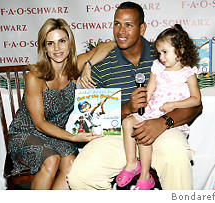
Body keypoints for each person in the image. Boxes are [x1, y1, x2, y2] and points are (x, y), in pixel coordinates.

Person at [67, 1, 202, 190]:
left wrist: (163, 122)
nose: (121, 31)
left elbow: (196, 105)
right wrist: (126, 109)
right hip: (119, 134)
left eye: (129, 25)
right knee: (79, 176)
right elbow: (88, 120)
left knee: (176, 154)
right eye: (117, 24)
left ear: (142, 28)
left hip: (162, 128)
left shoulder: (164, 54)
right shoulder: (102, 64)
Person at [7, 18, 113, 190]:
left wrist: (89, 64)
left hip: (55, 135)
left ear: (70, 43)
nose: (57, 48)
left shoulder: (75, 67)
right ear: (44, 48)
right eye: (50, 43)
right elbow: (39, 123)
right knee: (52, 159)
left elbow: (110, 45)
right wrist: (72, 137)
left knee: (71, 163)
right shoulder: (35, 77)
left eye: (62, 41)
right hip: (25, 133)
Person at [116, 24, 201, 190]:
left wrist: (175, 104)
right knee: (127, 123)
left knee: (143, 133)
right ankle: (132, 163)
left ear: (181, 50)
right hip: (152, 110)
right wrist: (138, 103)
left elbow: (196, 100)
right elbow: (149, 91)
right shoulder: (157, 68)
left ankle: (145, 176)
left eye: (165, 52)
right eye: (159, 52)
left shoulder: (188, 73)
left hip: (169, 116)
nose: (161, 57)